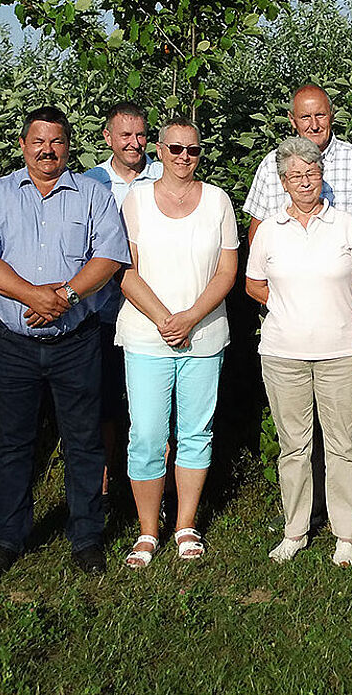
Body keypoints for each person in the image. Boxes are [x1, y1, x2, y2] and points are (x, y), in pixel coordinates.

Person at [0, 106, 130, 577]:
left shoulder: (92, 195)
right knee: (15, 443)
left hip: (75, 341)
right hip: (13, 343)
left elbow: (110, 256)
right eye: (38, 141)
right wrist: (33, 296)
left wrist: (65, 296)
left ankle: (86, 538)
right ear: (23, 145)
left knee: (83, 442)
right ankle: (9, 538)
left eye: (56, 142)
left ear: (68, 147)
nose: (47, 150)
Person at [246, 136, 352, 567]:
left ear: (323, 176)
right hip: (283, 354)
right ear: (283, 182)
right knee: (293, 447)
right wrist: (289, 307)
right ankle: (295, 531)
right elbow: (253, 284)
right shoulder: (268, 230)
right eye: (296, 176)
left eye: (313, 173)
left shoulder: (346, 225)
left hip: (341, 352)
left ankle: (345, 535)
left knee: (342, 445)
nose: (306, 182)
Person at [116, 118, 238, 568]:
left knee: (196, 432)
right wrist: (165, 318)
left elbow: (227, 271)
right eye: (175, 149)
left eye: (193, 150)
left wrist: (189, 317)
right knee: (147, 435)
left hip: (204, 336)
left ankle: (185, 523)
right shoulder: (137, 200)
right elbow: (124, 270)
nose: (184, 157)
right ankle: (148, 531)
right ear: (159, 151)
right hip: (146, 336)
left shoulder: (218, 201)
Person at [85, 102, 163, 502]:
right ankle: (102, 494)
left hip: (155, 313)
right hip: (103, 313)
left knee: (154, 410)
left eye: (140, 135)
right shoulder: (89, 183)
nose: (134, 144)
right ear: (108, 138)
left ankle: (160, 496)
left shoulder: (165, 176)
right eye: (125, 136)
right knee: (103, 405)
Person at [243, 85, 352, 243]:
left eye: (320, 115)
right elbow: (257, 234)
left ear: (332, 116)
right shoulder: (271, 165)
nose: (314, 125)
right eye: (305, 117)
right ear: (292, 120)